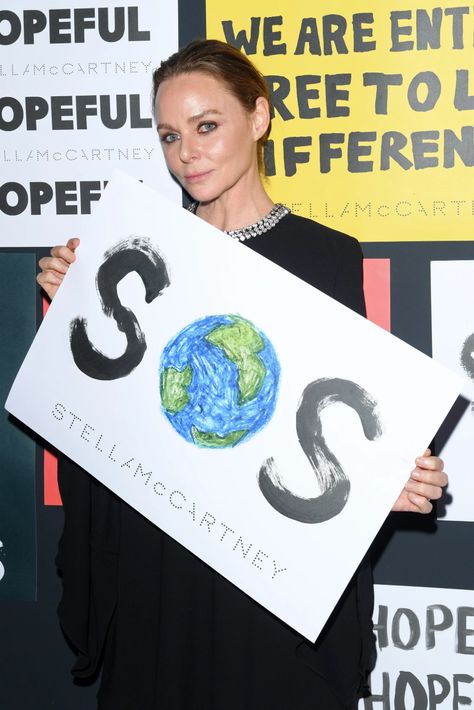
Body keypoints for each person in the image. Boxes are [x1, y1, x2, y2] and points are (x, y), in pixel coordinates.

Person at [37, 39, 447, 710]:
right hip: (158, 561)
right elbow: (102, 425)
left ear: (258, 118)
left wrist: (382, 483)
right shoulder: (139, 251)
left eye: (206, 126)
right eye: (170, 135)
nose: (185, 153)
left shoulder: (328, 258)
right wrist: (73, 322)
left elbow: (327, 418)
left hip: (260, 578)